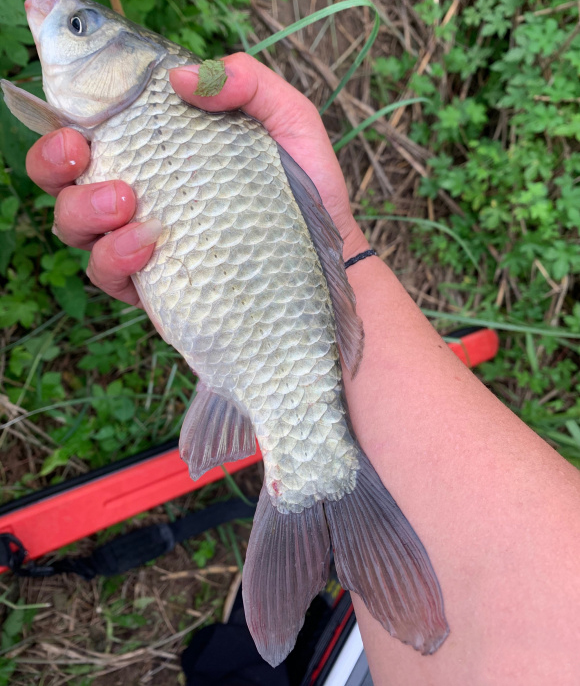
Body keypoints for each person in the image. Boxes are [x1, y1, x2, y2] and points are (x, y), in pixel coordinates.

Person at [26, 53, 580, 685]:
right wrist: (337, 238)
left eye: (80, 26)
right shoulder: (141, 107)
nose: (57, 22)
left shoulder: (159, 93)